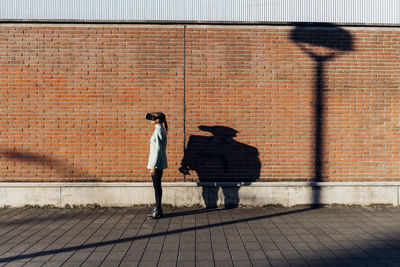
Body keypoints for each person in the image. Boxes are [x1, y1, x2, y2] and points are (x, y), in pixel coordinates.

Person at [146, 112, 168, 219]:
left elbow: (158, 149)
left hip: (156, 164)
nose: (150, 119)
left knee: (157, 187)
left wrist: (153, 166)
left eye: (152, 118)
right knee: (157, 187)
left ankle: (158, 210)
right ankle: (158, 209)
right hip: (158, 163)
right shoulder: (158, 129)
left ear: (157, 120)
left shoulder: (159, 130)